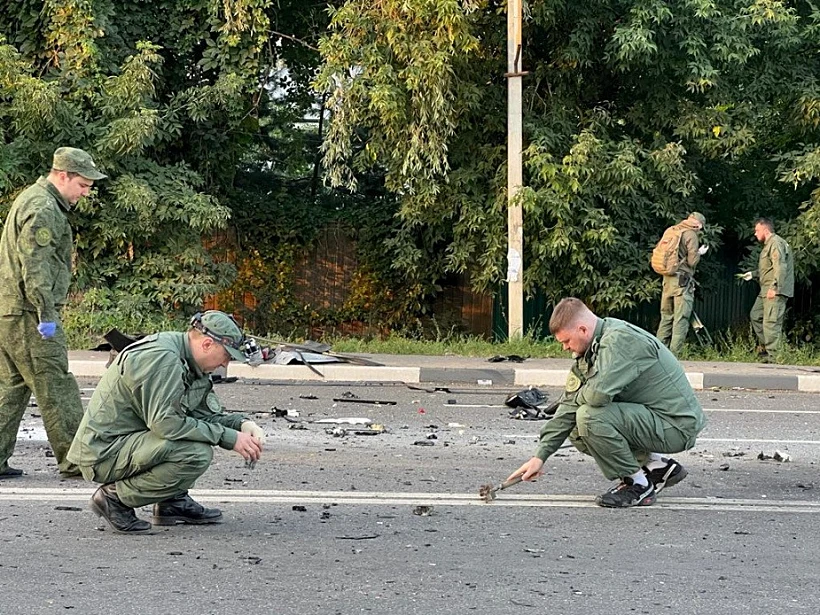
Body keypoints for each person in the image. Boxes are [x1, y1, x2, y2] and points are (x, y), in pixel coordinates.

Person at [67, 310, 266, 534]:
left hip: (129, 442)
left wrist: (242, 425)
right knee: (195, 453)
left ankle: (172, 502)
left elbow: (200, 414)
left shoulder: (190, 360)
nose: (225, 364)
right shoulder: (164, 359)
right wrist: (228, 438)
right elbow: (167, 424)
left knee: (193, 439)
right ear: (208, 344)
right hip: (103, 453)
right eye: (227, 355)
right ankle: (114, 498)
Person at [507, 298, 706, 508]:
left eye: (566, 341)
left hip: (675, 425)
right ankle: (655, 466)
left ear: (582, 329)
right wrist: (540, 456)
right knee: (575, 424)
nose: (565, 348)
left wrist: (577, 399)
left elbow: (596, 397)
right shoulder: (592, 348)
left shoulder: (620, 341)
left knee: (589, 416)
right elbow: (569, 404)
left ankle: (637, 485)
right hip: (653, 418)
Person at [0, 147, 107, 480]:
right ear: (63, 176)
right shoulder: (44, 208)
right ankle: (78, 459)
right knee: (56, 385)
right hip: (30, 314)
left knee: (12, 387)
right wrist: (46, 314)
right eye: (83, 184)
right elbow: (36, 266)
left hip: (11, 311)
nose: (86, 192)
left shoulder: (33, 199)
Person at [738, 218, 794, 361]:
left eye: (757, 230)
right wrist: (753, 274)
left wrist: (775, 288)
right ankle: (766, 347)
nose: (755, 234)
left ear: (765, 229)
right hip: (765, 290)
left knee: (771, 323)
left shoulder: (775, 243)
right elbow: (769, 268)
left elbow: (780, 267)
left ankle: (774, 357)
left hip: (773, 291)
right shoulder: (769, 244)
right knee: (756, 315)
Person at [655, 212, 708, 356]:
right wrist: (699, 253)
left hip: (667, 279)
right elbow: (692, 261)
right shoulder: (691, 235)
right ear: (698, 224)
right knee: (681, 319)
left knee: (666, 317)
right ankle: (674, 356)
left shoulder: (671, 230)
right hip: (682, 282)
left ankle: (659, 354)